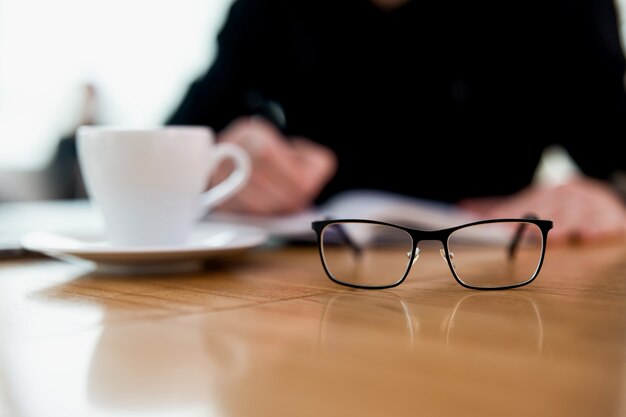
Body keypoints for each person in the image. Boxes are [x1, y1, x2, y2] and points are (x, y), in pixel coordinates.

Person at [170, 0, 623, 244]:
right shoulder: (270, 10)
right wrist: (218, 171)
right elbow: (158, 154)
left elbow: (612, 150)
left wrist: (610, 199)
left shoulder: (562, 8)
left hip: (498, 291)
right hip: (304, 300)